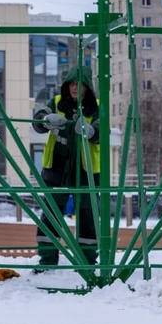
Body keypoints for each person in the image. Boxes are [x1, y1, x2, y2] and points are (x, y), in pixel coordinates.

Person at [32, 66, 100, 270]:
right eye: (71, 84)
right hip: (57, 170)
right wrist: (45, 120)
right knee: (51, 216)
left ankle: (87, 264)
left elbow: (102, 130)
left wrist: (91, 131)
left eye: (79, 84)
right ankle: (47, 262)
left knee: (88, 218)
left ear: (87, 87)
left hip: (87, 172)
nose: (74, 88)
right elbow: (38, 120)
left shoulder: (97, 107)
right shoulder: (56, 103)